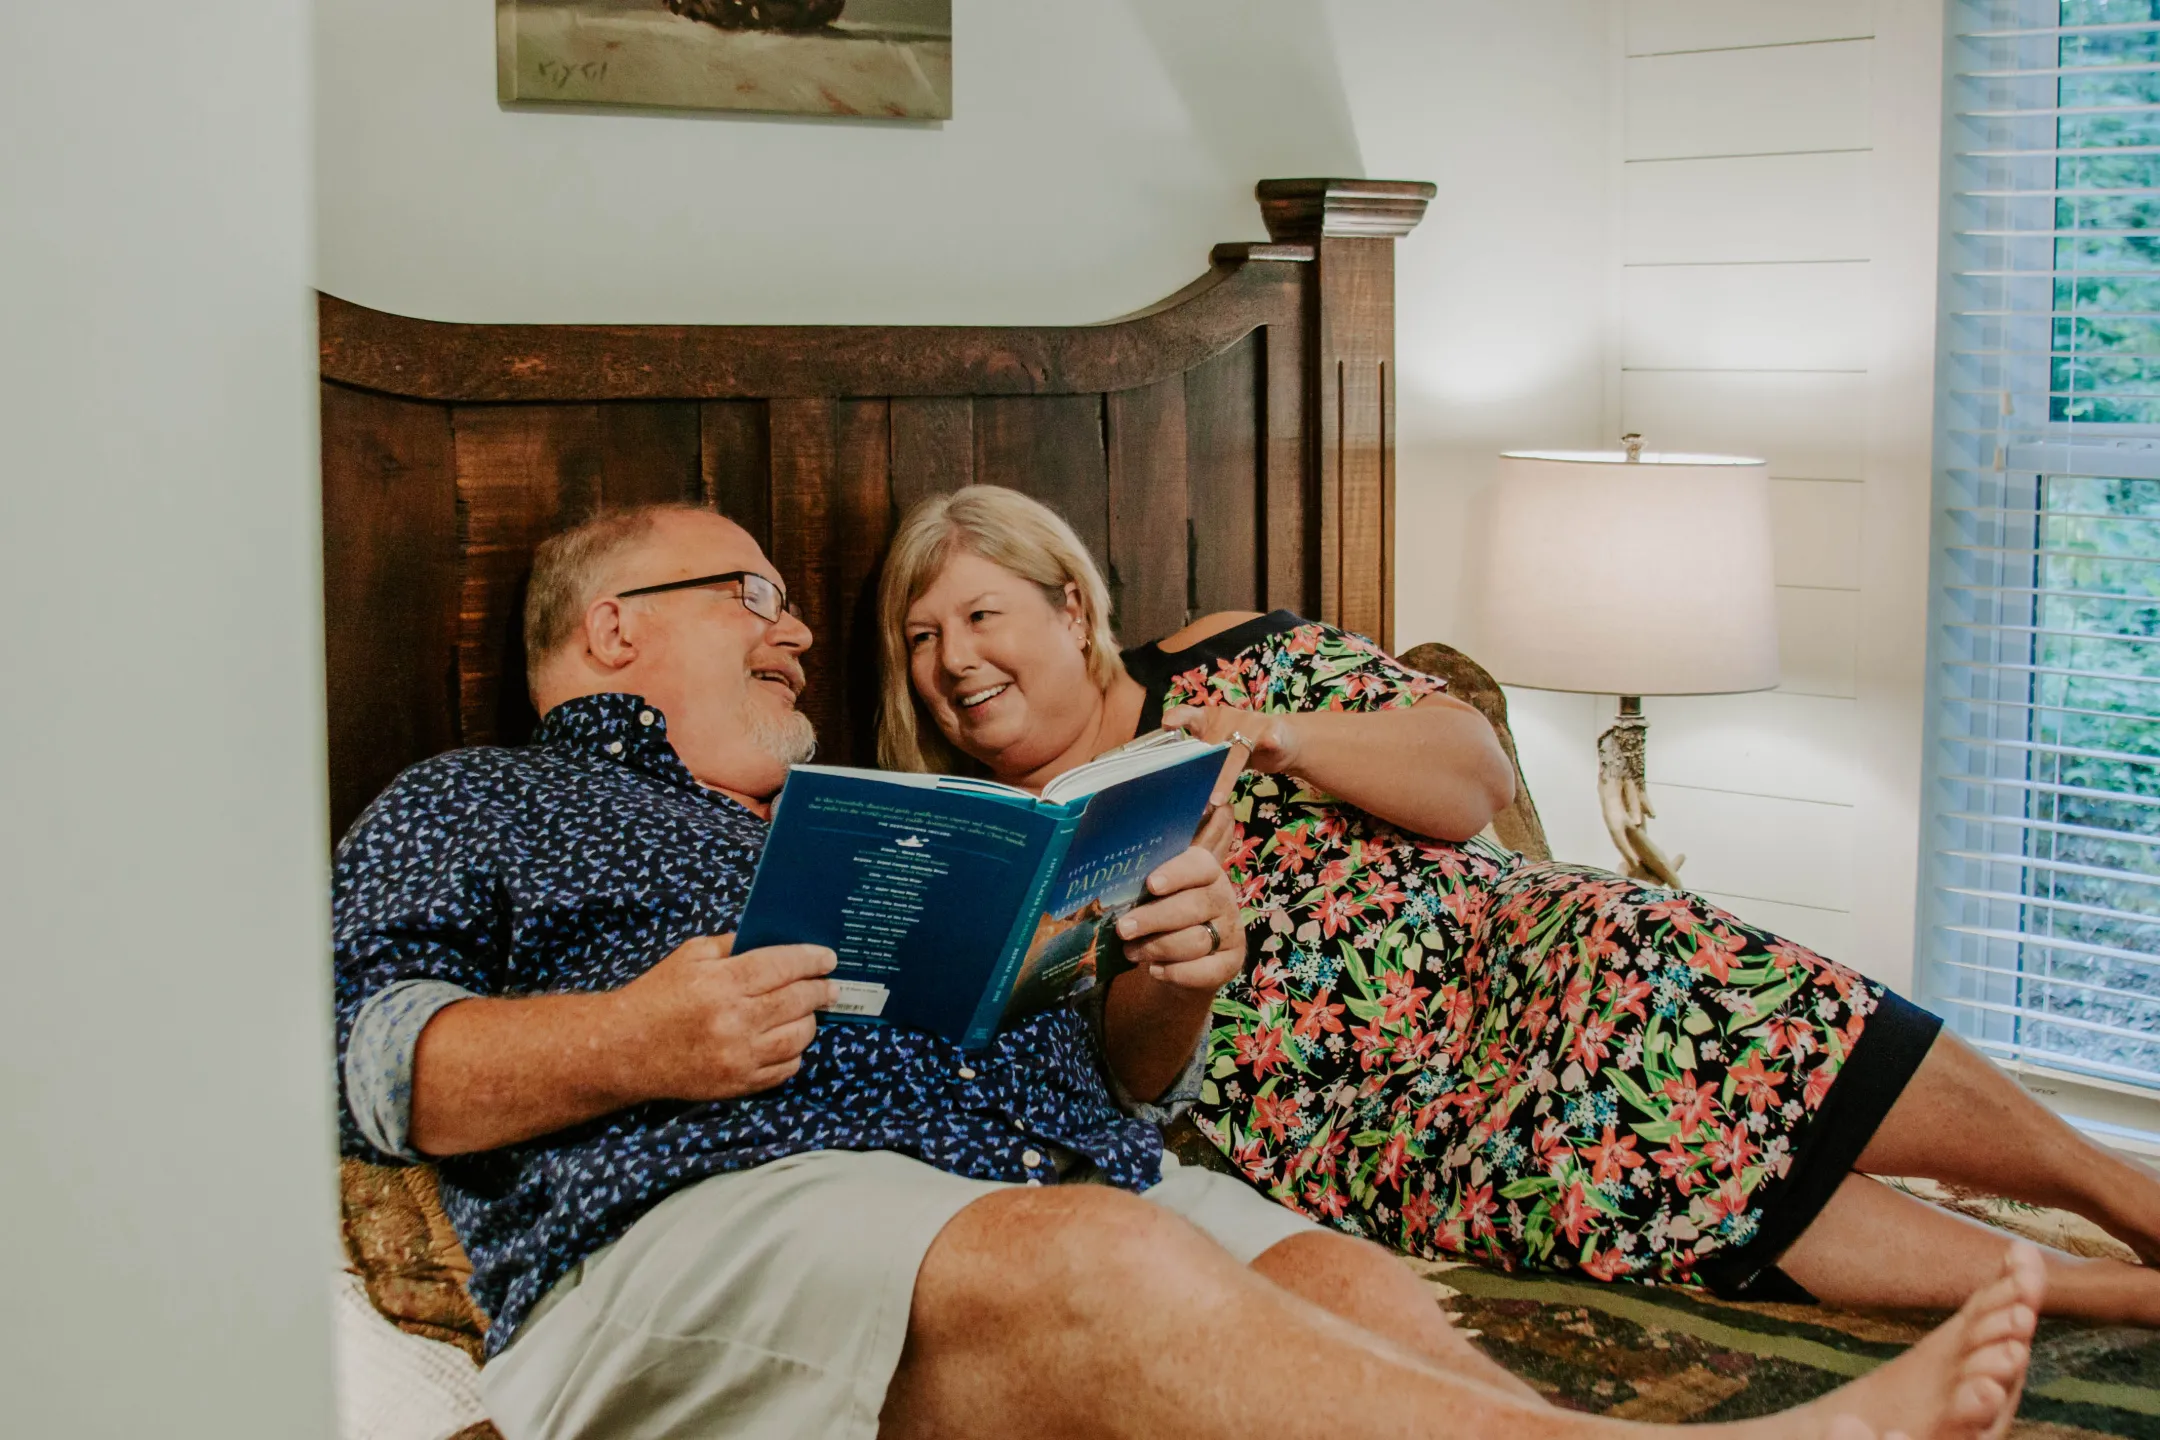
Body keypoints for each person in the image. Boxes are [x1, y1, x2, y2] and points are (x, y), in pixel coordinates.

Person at [337, 499, 2041, 1440]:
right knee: (1093, 1256)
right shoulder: (481, 803)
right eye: (752, 595)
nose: (797, 630)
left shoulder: (899, 814)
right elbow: (371, 1057)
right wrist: (637, 1038)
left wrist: (1174, 974)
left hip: (1041, 1171)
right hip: (712, 1218)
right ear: (616, 622)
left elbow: (1128, 1085)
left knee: (1355, 1290)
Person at [876, 482, 2160, 1327]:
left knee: (1656, 955)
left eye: (979, 614)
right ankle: (2101, 1298)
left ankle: (2115, 1190)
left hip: (1510, 948)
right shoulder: (989, 839)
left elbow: (1473, 777)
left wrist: (1270, 737)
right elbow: (1113, 1076)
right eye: (921, 640)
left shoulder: (1233, 660)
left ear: (1073, 605)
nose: (954, 663)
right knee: (1606, 1148)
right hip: (1337, 1097)